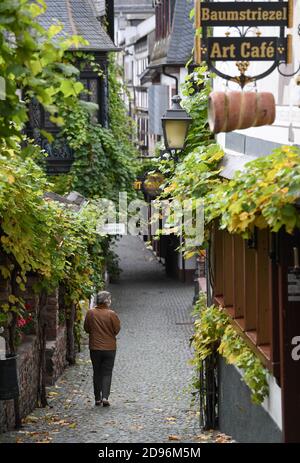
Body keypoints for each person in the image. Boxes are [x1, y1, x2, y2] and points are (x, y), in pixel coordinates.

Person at [84, 291, 121, 407]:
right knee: (107, 372)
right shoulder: (112, 314)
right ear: (107, 301)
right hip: (109, 348)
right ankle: (105, 397)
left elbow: (86, 328)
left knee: (97, 372)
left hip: (95, 347)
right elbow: (116, 329)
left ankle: (97, 398)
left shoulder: (90, 313)